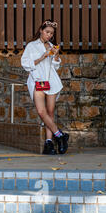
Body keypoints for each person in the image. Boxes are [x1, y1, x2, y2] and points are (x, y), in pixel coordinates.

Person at [21, 19, 69, 155]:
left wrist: (56, 55)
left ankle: (49, 143)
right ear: (41, 31)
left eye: (51, 33)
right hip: (39, 82)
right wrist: (43, 56)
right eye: (47, 32)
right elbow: (26, 64)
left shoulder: (51, 45)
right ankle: (60, 135)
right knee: (42, 112)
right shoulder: (32, 46)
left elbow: (55, 66)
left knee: (50, 112)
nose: (49, 35)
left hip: (52, 81)